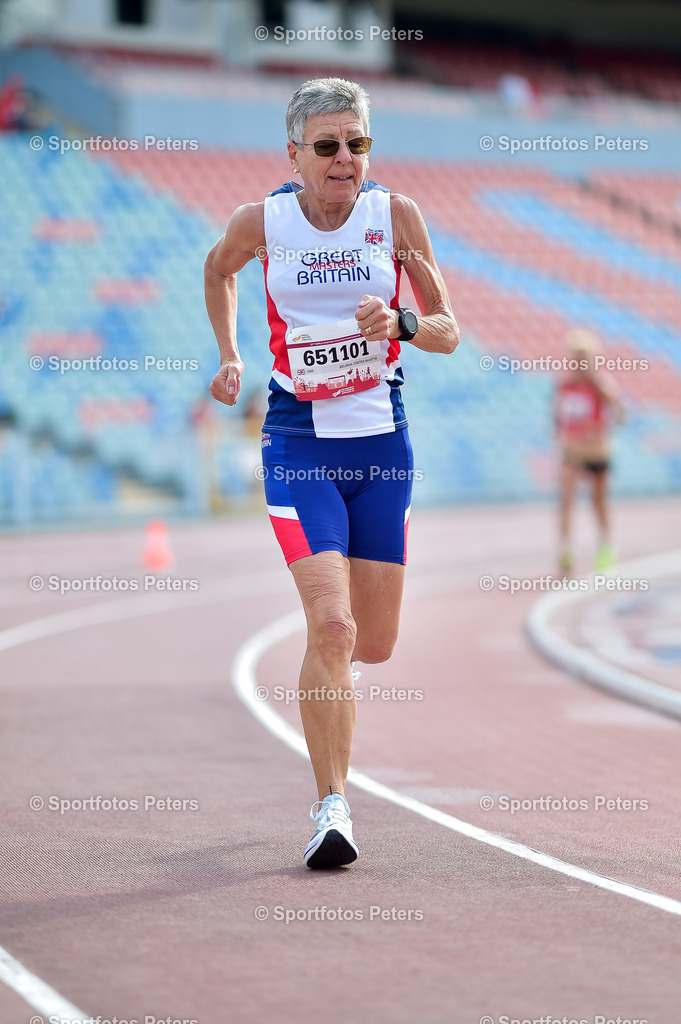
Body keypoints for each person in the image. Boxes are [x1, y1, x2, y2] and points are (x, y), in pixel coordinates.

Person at [205, 77, 458, 868]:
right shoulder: (262, 223)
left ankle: (330, 691)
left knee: (372, 643)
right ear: (295, 154)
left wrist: (404, 322)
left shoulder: (396, 218)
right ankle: (330, 806)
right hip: (298, 443)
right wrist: (232, 354)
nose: (344, 158)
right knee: (333, 624)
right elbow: (219, 270)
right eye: (327, 146)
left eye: (357, 143)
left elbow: (447, 330)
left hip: (382, 448)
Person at [554, 328, 624, 574]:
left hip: (597, 451)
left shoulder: (602, 384)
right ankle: (565, 550)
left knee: (598, 502)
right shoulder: (565, 385)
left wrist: (608, 398)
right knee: (566, 500)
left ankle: (605, 546)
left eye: (584, 356)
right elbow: (557, 417)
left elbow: (621, 416)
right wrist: (560, 438)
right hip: (573, 449)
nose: (579, 362)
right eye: (576, 356)